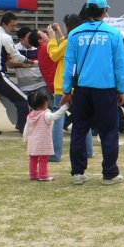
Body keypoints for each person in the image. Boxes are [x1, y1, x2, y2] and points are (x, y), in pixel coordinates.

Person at [61, 0, 124, 185]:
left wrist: (67, 90)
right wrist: (120, 89)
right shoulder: (113, 35)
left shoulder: (75, 34)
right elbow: (119, 65)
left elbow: (69, 65)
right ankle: (110, 173)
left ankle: (78, 173)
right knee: (108, 131)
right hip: (105, 89)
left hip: (81, 89)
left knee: (79, 130)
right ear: (105, 11)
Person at [47, 15, 92, 162]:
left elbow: (54, 55)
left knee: (58, 119)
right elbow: (65, 45)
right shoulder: (82, 40)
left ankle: (55, 154)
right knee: (84, 118)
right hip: (80, 85)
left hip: (63, 87)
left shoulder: (68, 43)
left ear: (68, 26)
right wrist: (59, 34)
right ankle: (88, 151)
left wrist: (52, 39)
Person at [0, 12, 33, 133]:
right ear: (4, 24)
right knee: (23, 99)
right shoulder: (5, 37)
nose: (14, 29)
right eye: (12, 26)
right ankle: (23, 127)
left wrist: (0, 55)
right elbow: (15, 56)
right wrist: (30, 62)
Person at [23, 90, 68, 182]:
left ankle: (33, 175)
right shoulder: (45, 115)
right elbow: (56, 116)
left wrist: (26, 139)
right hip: (43, 142)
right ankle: (43, 175)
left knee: (33, 159)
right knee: (43, 159)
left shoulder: (30, 115)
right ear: (45, 103)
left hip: (32, 143)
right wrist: (65, 106)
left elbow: (26, 129)